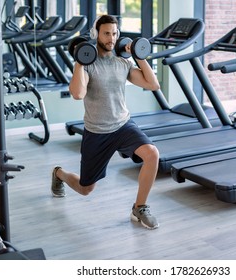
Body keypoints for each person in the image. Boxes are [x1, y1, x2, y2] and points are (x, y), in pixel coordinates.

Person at [51, 15, 160, 229]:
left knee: (152, 154)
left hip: (122, 125)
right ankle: (59, 173)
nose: (111, 38)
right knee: (85, 189)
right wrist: (80, 62)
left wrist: (138, 55)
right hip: (97, 131)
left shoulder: (122, 62)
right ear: (97, 35)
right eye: (106, 33)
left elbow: (152, 84)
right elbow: (77, 93)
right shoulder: (89, 64)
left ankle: (140, 207)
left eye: (115, 33)